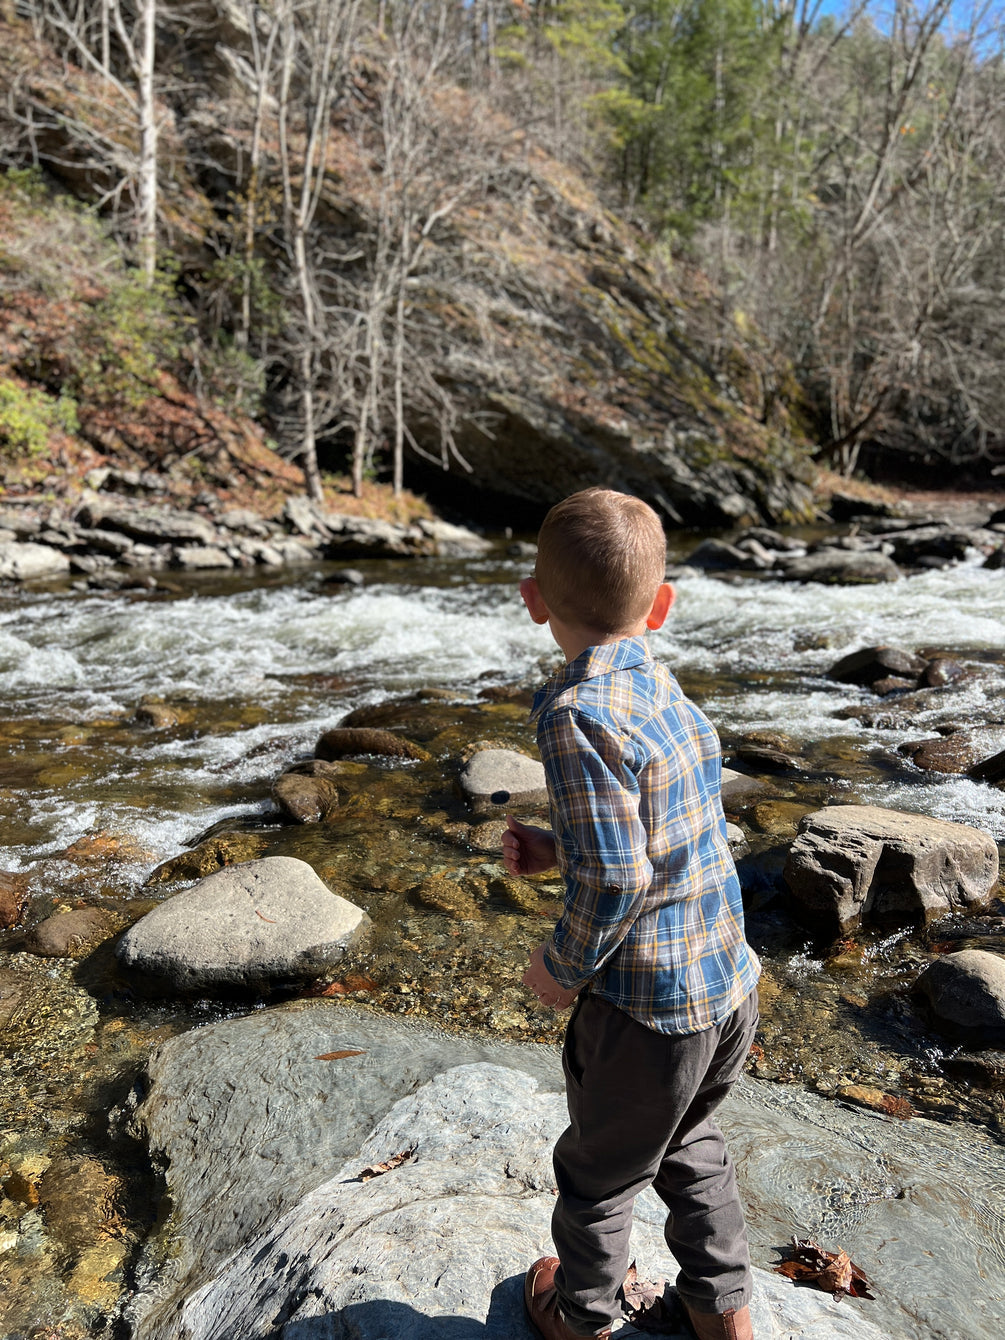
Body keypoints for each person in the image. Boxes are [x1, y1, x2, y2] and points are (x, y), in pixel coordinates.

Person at [502, 487, 760, 1340]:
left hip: (644, 1011)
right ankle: (722, 1314)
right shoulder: (656, 681)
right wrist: (558, 846)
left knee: (596, 1176)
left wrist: (558, 966)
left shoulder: (577, 715)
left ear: (533, 601)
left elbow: (617, 880)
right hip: (724, 989)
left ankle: (579, 1318)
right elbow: (665, 827)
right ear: (661, 607)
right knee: (690, 1147)